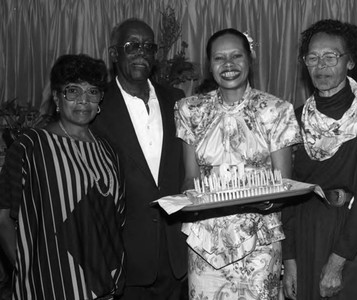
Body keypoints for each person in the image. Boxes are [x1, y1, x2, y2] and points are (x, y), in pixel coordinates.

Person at [174, 28, 301, 299]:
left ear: (250, 60)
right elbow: (189, 178)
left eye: (236, 56)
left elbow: (282, 185)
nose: (228, 65)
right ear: (210, 65)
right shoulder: (190, 110)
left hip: (259, 238)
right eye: (219, 58)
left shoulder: (276, 110)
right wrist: (188, 199)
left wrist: (259, 202)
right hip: (205, 242)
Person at [0, 54, 125, 299]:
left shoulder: (109, 150)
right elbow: (2, 218)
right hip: (48, 286)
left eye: (92, 91)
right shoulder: (30, 147)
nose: (83, 100)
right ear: (57, 97)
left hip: (102, 283)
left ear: (100, 99)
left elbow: (116, 220)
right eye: (73, 90)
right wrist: (29, 269)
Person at [281, 19, 357, 300]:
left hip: (351, 235)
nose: (321, 65)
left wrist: (337, 262)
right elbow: (286, 192)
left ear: (350, 62)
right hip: (304, 231)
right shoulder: (294, 118)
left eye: (331, 56)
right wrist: (289, 260)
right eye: (312, 57)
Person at [91, 18, 187, 299]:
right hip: (125, 258)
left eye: (148, 46)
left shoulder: (176, 100)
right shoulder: (96, 107)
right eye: (132, 45)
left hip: (176, 252)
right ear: (113, 54)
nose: (141, 52)